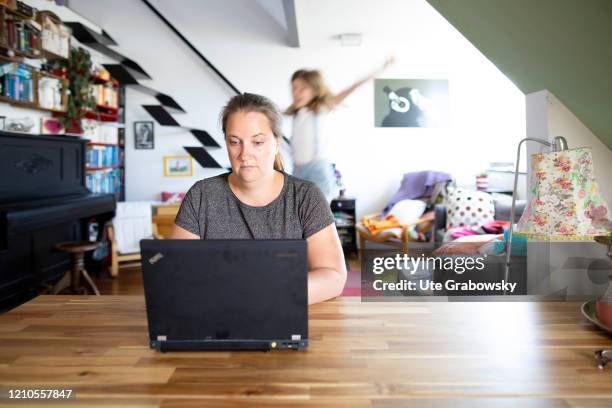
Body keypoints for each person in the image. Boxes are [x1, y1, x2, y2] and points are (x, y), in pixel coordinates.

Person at [170, 93, 347, 305]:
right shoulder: (201, 196)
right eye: (235, 142)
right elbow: (175, 272)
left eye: (258, 142)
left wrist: (266, 292)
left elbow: (334, 276)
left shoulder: (306, 197)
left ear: (277, 143)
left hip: (287, 316)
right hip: (219, 318)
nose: (245, 154)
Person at [285, 58, 394, 201]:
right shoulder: (296, 114)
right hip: (298, 171)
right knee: (298, 215)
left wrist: (381, 69)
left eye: (303, 88)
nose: (297, 93)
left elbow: (352, 88)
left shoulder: (321, 109)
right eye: (294, 88)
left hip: (317, 170)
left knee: (319, 216)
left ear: (314, 90)